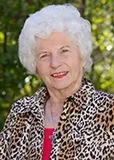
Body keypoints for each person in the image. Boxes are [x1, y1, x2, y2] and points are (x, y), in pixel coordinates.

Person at [0, 3, 114, 160]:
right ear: (35, 66)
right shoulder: (21, 113)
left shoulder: (109, 111)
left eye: (64, 51)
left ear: (82, 54)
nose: (55, 63)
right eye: (44, 55)